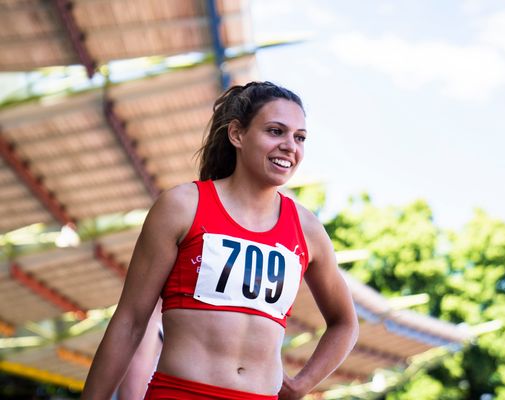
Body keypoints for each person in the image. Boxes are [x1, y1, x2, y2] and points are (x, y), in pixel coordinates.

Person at [82, 81, 359, 400]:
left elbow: (345, 323)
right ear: (237, 134)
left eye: (299, 137)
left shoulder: (308, 230)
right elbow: (130, 322)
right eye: (275, 131)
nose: (289, 146)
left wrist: (301, 384)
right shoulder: (182, 206)